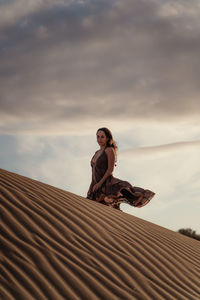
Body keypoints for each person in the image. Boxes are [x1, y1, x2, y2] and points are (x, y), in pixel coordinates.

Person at [87, 127, 155, 210]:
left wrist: (99, 183)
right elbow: (93, 172)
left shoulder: (109, 150)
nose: (99, 139)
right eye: (97, 136)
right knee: (97, 207)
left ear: (107, 138)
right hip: (96, 186)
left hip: (106, 184)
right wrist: (91, 186)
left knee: (107, 201)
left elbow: (110, 170)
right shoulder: (96, 153)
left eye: (102, 137)